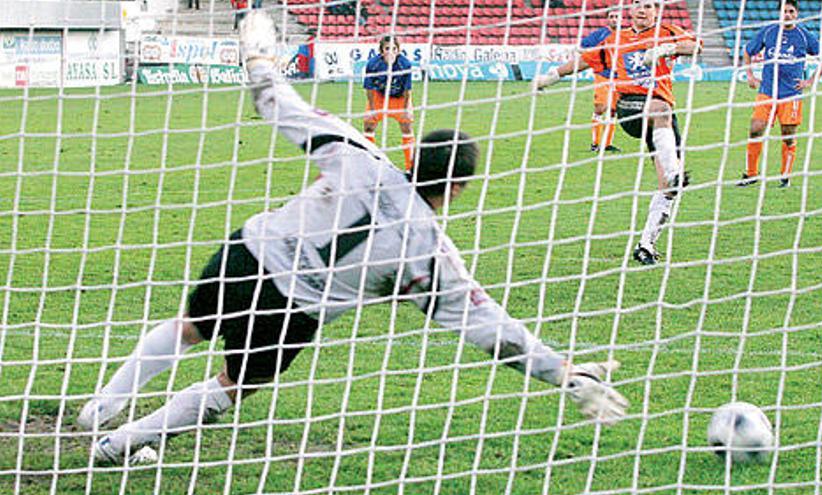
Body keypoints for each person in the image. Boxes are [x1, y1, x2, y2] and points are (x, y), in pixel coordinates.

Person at [79, 11, 629, 466]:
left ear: (416, 159)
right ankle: (118, 444)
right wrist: (561, 372)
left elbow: (278, 104)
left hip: (249, 255)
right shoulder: (429, 253)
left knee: (190, 328)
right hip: (295, 307)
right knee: (233, 384)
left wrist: (259, 55)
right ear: (458, 188)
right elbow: (489, 328)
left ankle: (103, 405)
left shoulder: (361, 155)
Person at [533, 0, 700, 266]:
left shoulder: (668, 31)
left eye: (648, 6)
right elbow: (583, 61)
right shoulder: (615, 39)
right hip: (631, 108)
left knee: (668, 189)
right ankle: (672, 172)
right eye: (637, 5)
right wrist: (548, 78)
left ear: (657, 11)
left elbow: (695, 46)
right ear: (630, 11)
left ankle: (646, 244)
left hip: (662, 122)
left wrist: (666, 48)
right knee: (660, 109)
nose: (642, 10)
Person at [736, 0, 822, 189]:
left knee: (788, 135)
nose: (787, 14)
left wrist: (809, 81)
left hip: (791, 94)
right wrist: (750, 75)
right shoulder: (769, 31)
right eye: (784, 11)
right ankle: (751, 174)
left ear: (797, 14)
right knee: (755, 129)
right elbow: (747, 51)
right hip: (767, 91)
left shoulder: (804, 36)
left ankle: (785, 175)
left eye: (791, 11)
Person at [363, 36, 415, 170]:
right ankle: (370, 164)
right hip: (379, 97)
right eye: (387, 49)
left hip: (399, 98)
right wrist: (373, 109)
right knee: (368, 125)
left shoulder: (405, 65)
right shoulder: (372, 65)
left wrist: (405, 110)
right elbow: (369, 89)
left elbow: (407, 90)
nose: (390, 52)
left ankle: (410, 167)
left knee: (407, 126)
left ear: (398, 51)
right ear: (381, 51)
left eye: (394, 49)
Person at [579, 8, 624, 153]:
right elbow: (581, 47)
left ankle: (607, 144)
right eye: (611, 17)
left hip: (619, 77)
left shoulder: (626, 35)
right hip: (602, 75)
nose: (614, 19)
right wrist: (595, 58)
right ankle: (595, 143)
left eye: (617, 17)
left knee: (613, 110)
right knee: (600, 107)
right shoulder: (599, 34)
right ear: (607, 19)